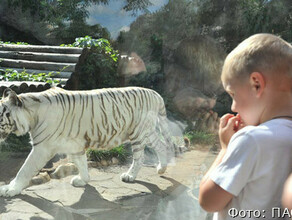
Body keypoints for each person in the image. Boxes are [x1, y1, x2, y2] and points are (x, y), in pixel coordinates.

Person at [199, 33, 292, 220]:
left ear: (256, 84)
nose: (233, 107)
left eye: (233, 94)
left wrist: (226, 148)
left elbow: (208, 201)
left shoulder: (251, 139)